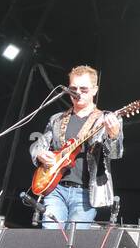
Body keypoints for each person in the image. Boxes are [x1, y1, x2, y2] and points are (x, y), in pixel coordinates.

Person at [29, 65, 123, 230]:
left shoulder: (105, 119)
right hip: (55, 189)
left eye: (84, 89)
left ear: (95, 90)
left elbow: (115, 154)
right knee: (50, 238)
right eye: (73, 89)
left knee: (73, 244)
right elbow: (38, 145)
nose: (77, 93)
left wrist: (113, 136)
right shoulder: (57, 119)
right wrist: (40, 155)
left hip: (86, 193)